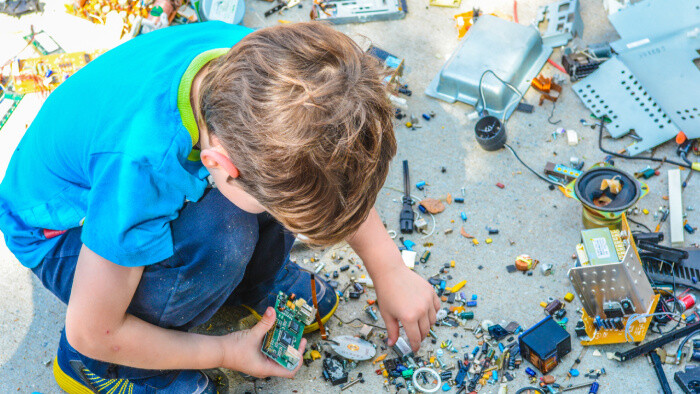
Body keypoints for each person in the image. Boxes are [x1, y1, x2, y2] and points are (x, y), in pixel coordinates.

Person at [0, 21, 440, 393]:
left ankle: (255, 282)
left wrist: (389, 268)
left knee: (273, 193)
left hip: (139, 184)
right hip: (61, 235)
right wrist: (225, 351)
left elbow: (332, 173)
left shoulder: (276, 73)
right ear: (217, 165)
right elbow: (92, 329)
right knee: (223, 237)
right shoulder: (140, 168)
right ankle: (101, 367)